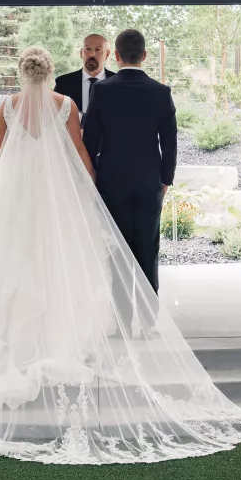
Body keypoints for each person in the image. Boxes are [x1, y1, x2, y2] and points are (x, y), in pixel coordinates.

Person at [0, 45, 241, 464]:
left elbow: (0, 153)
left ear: (22, 73)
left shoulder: (7, 105)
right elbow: (80, 151)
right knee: (60, 260)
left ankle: (10, 338)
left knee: (10, 265)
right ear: (49, 75)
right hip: (56, 199)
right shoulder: (65, 105)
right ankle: (59, 335)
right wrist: (91, 182)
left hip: (16, 200)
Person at [82, 28, 178, 327]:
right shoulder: (161, 93)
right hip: (150, 183)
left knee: (117, 252)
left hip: (111, 183)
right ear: (145, 56)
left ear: (117, 56)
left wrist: (96, 178)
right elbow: (170, 143)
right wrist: (165, 181)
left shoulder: (103, 90)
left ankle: (122, 322)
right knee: (148, 248)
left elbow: (90, 141)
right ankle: (149, 321)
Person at [54, 33, 115, 127]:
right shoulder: (63, 83)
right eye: (88, 49)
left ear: (107, 54)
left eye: (98, 50)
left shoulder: (117, 82)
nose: (92, 54)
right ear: (81, 53)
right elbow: (55, 119)